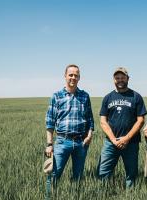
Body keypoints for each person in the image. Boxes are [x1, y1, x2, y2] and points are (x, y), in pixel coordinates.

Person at [45, 64, 94, 198]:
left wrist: (89, 135)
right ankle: (49, 197)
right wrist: (49, 144)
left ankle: (75, 197)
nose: (73, 77)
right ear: (65, 76)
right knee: (54, 174)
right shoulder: (57, 96)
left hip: (81, 143)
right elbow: (50, 122)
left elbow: (90, 119)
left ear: (79, 77)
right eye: (71, 75)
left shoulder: (84, 96)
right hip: (62, 141)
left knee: (78, 176)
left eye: (76, 75)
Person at [97, 67, 147, 188]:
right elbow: (103, 121)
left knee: (131, 173)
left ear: (127, 79)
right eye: (117, 78)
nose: (120, 80)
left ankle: (130, 195)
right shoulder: (108, 97)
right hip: (110, 143)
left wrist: (127, 138)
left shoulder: (136, 97)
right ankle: (103, 194)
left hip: (131, 143)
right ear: (114, 80)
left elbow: (140, 120)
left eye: (122, 77)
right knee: (103, 171)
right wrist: (114, 139)